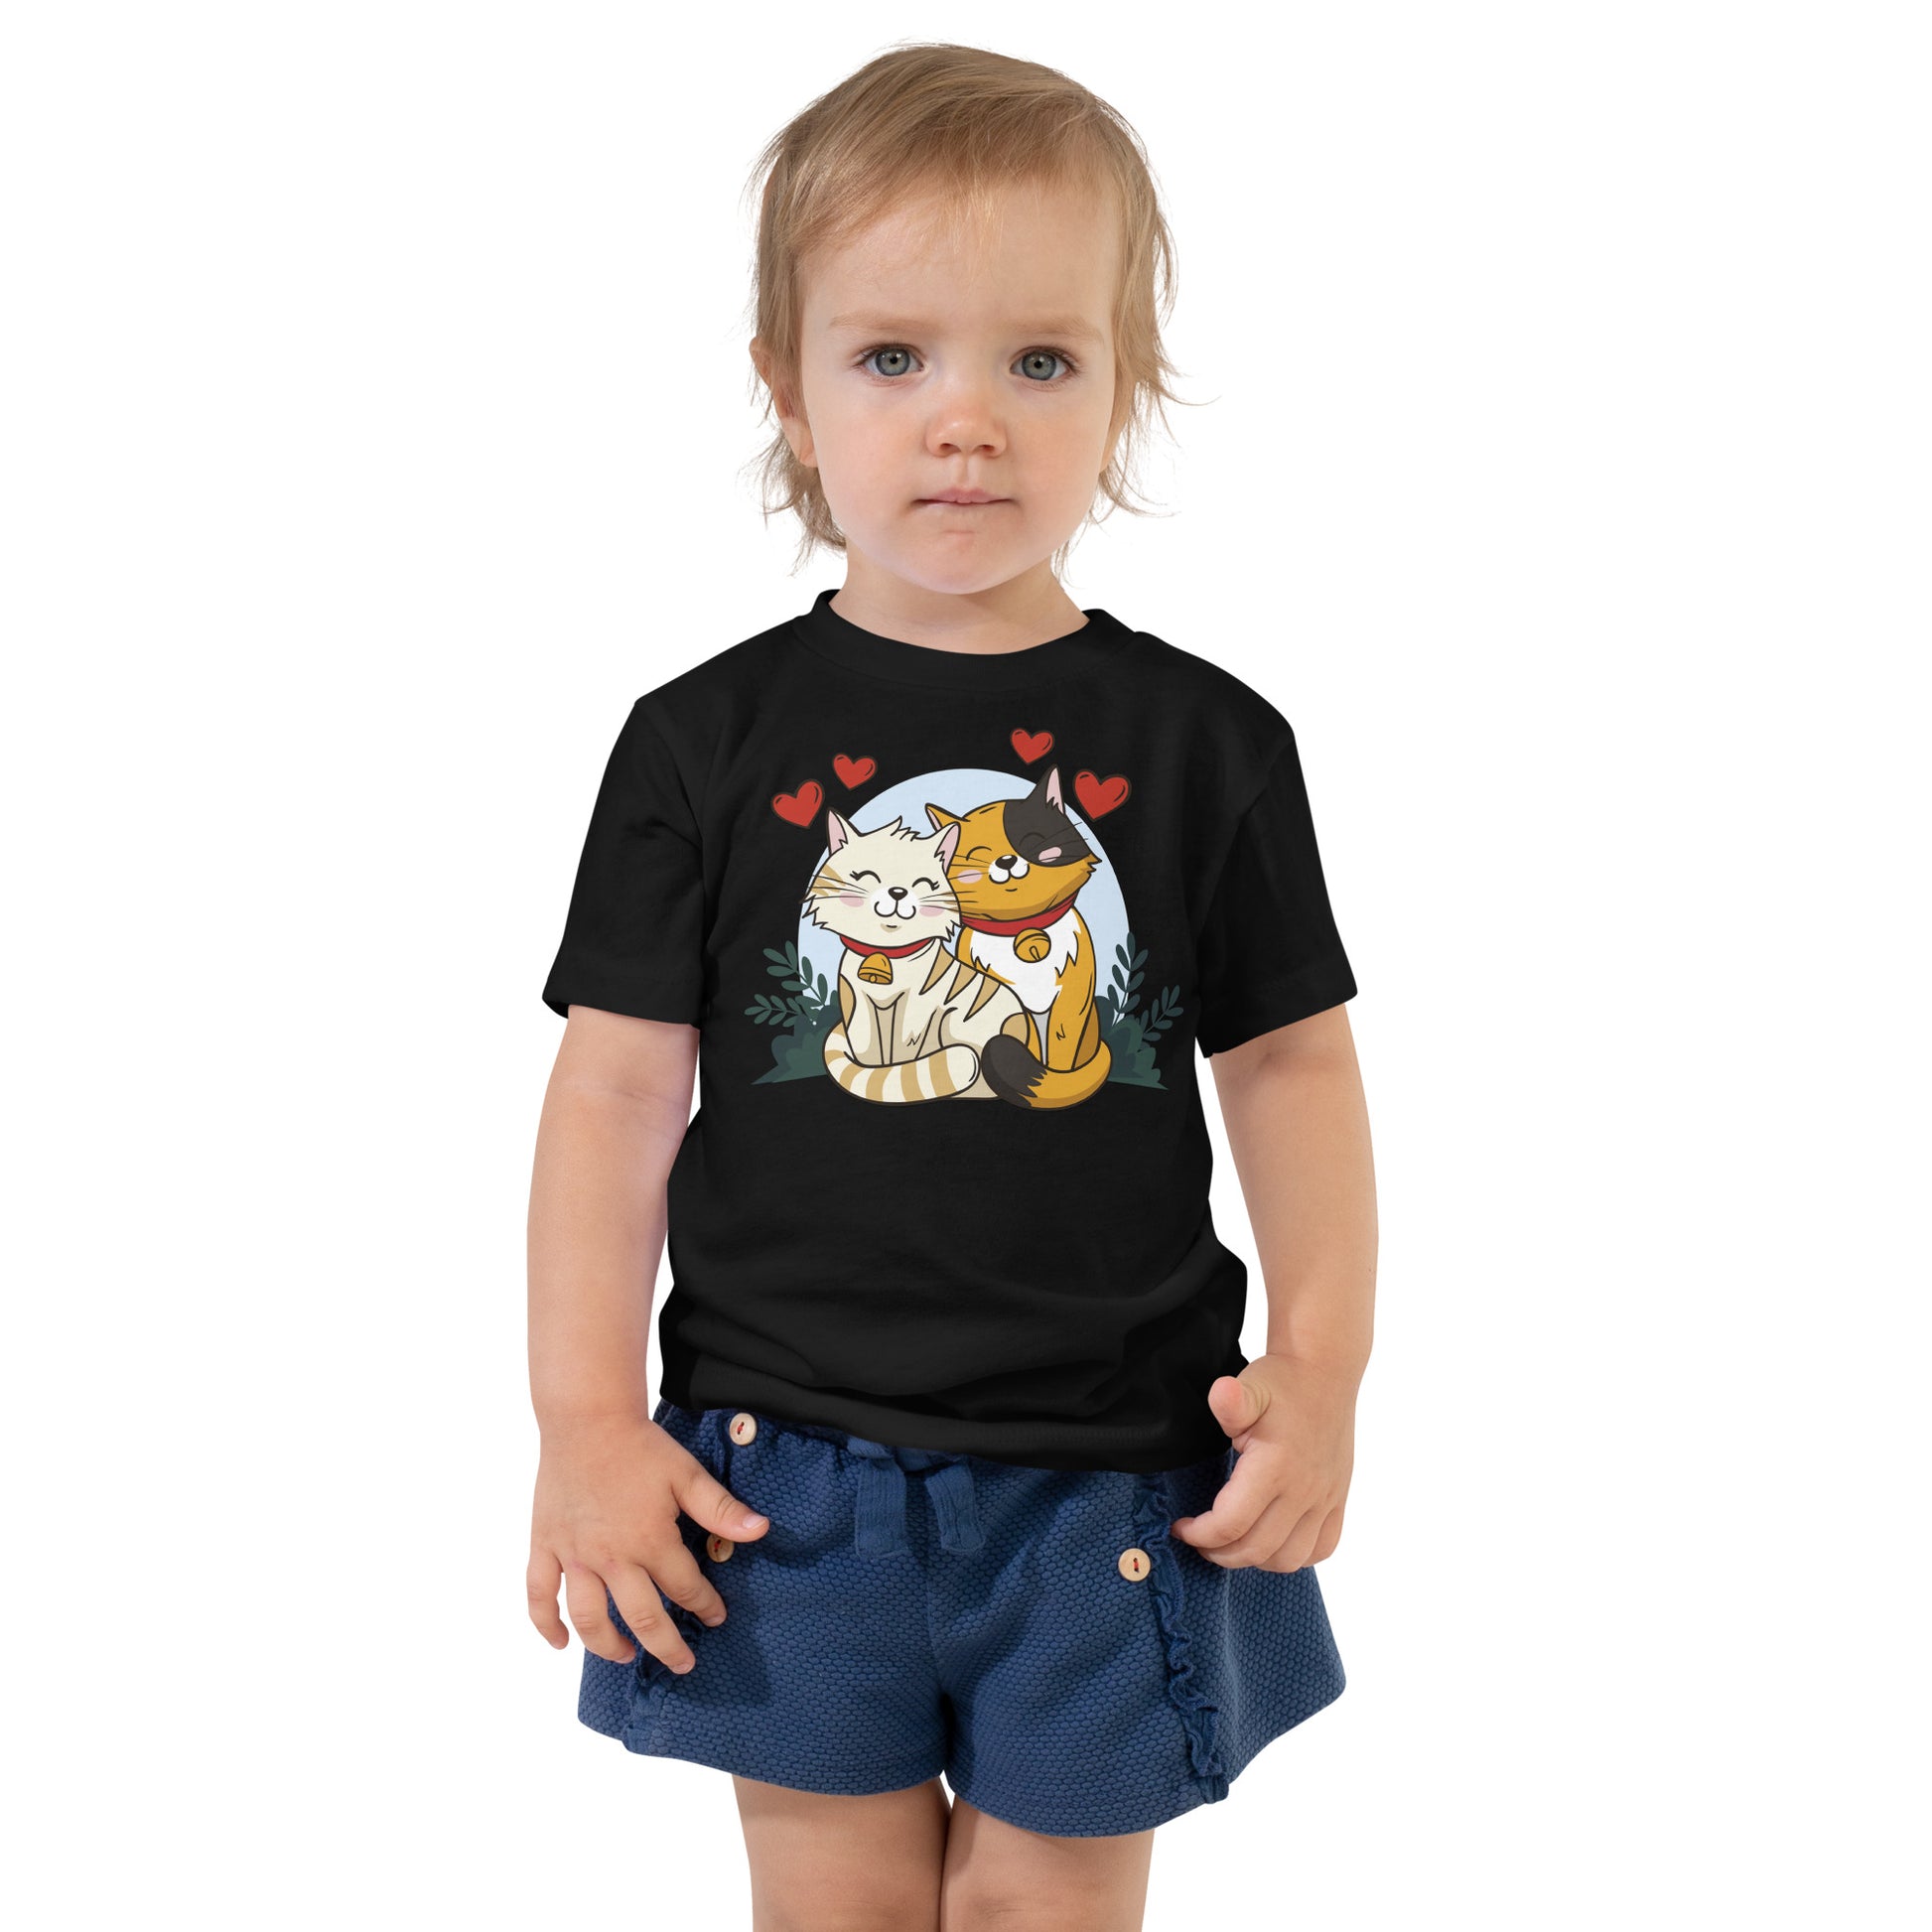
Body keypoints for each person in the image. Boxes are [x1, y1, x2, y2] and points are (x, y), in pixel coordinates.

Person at [526, 41, 1378, 1932]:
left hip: (1113, 1467)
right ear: (790, 385)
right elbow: (613, 1093)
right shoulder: (697, 741)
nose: (965, 421)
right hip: (780, 1469)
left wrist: (1320, 1368)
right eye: (893, 356)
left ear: (1122, 384)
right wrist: (584, 1420)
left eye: (1040, 361)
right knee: (829, 1904)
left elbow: (1293, 1069)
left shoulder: (1210, 745)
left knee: (1041, 1912)